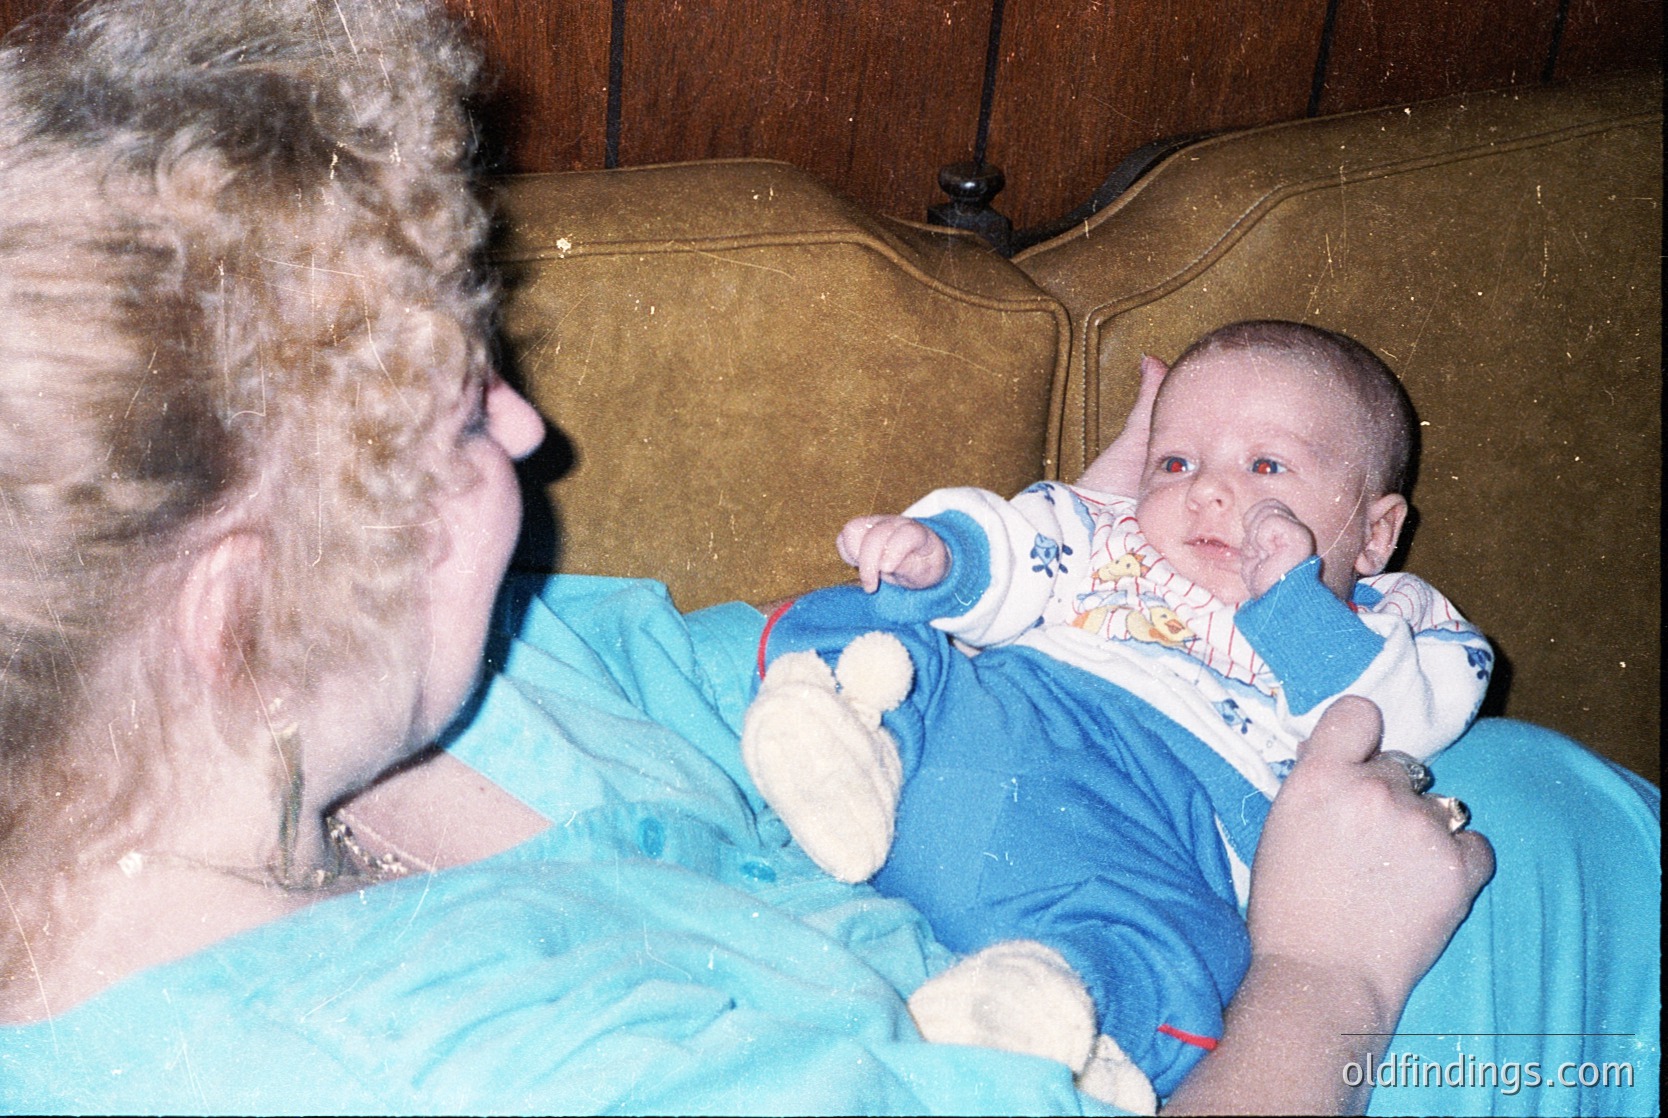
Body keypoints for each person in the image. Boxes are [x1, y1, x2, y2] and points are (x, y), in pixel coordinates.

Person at [0, 2, 1652, 1114]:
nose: (522, 428)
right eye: (450, 421)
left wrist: (1071, 553)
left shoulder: (390, 707)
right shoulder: (488, 1065)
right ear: (237, 613)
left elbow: (805, 664)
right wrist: (1325, 971)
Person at [744, 322, 1493, 1099]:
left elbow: (1403, 717)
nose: (1207, 490)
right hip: (1012, 718)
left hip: (1168, 818)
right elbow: (1019, 541)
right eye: (1175, 462)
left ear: (1375, 533)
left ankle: (1038, 1004)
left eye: (1265, 465)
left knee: (1187, 950)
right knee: (868, 617)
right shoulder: (1113, 536)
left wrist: (1291, 606)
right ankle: (845, 752)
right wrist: (941, 556)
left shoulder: (1403, 624)